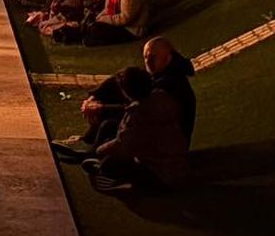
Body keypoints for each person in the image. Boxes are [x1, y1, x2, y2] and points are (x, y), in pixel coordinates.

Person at [54, 37, 197, 156]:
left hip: (166, 140)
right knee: (115, 91)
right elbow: (121, 78)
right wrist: (94, 97)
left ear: (168, 58)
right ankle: (89, 143)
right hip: (153, 126)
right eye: (145, 57)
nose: (148, 62)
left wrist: (101, 108)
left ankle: (92, 152)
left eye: (153, 57)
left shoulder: (171, 84)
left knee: (109, 123)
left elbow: (141, 109)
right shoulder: (160, 71)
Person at [83, 67, 191, 191]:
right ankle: (94, 159)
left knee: (109, 164)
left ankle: (121, 182)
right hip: (176, 162)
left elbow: (123, 145)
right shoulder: (160, 97)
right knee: (110, 128)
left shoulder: (138, 114)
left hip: (160, 173)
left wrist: (100, 150)